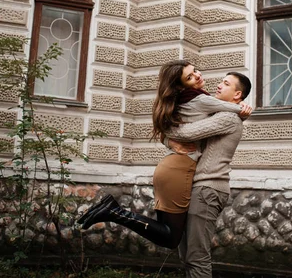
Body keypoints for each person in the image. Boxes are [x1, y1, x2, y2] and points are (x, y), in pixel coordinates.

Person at [76, 61, 251, 249]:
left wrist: (168, 140)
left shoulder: (186, 100)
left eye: (195, 71)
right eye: (190, 77)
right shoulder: (200, 101)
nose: (198, 76)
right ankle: (115, 212)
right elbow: (184, 132)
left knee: (167, 231)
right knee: (170, 238)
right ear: (181, 85)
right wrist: (242, 111)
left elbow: (171, 130)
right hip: (179, 170)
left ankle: (114, 211)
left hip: (169, 168)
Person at [165, 72, 252, 278]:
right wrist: (169, 140)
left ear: (237, 94)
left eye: (226, 83)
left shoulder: (228, 117)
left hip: (208, 189)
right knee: (187, 255)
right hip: (199, 187)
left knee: (196, 256)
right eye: (221, 81)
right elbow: (182, 137)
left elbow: (185, 134)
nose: (219, 85)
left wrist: (164, 127)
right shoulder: (215, 113)